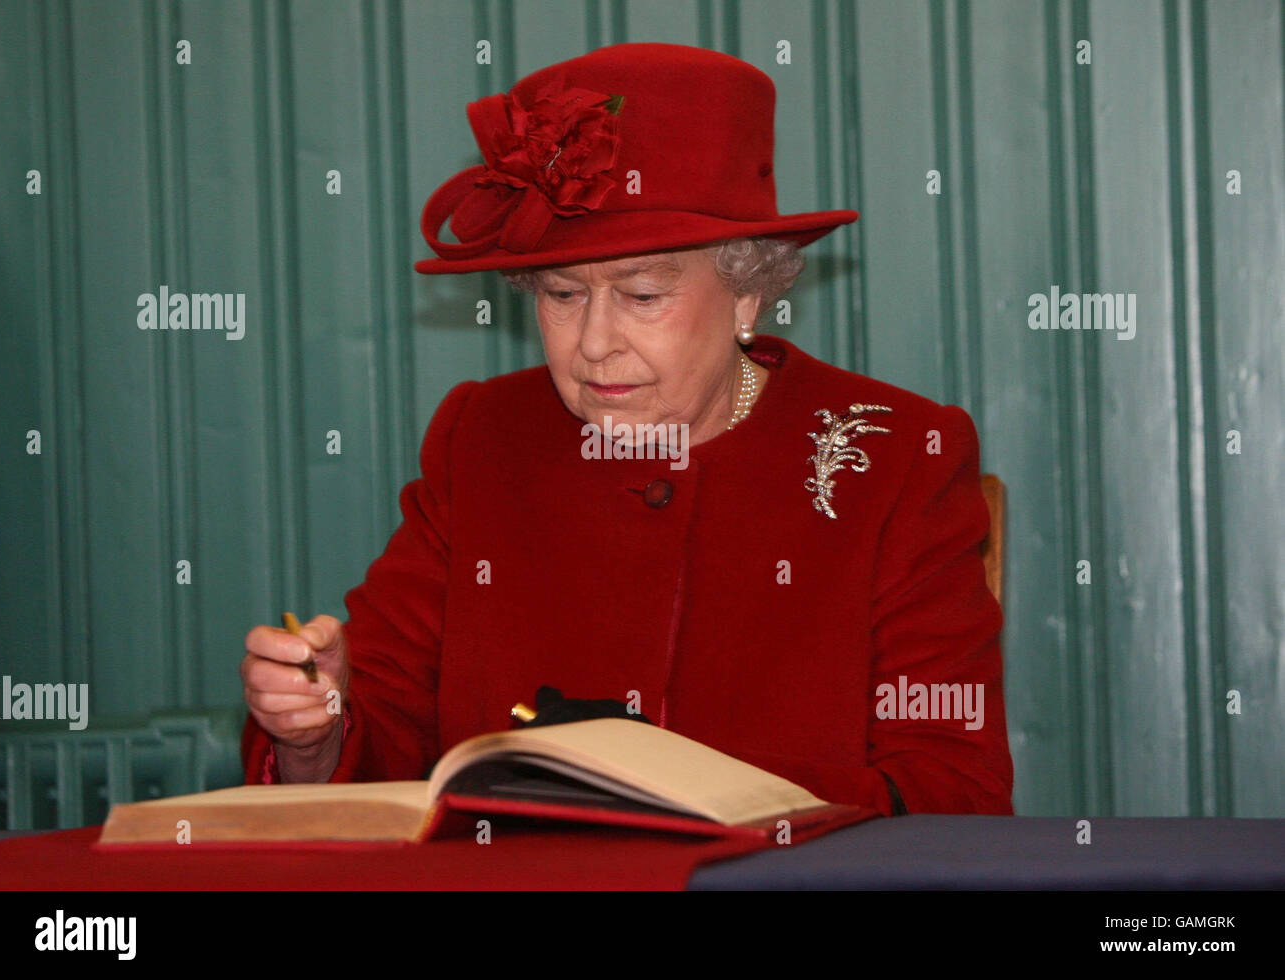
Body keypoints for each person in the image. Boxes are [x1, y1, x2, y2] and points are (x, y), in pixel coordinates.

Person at [239, 42, 1014, 816]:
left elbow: (952, 793)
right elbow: (383, 729)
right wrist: (318, 726)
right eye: (562, 293)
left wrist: (692, 795)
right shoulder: (484, 438)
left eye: (643, 295)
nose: (595, 342)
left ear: (747, 293)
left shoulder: (899, 457)